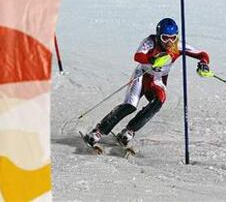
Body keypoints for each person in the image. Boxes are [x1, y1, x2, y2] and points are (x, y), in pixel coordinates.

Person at [84, 17, 213, 147]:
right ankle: (99, 131)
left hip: (158, 80)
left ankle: (129, 131)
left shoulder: (177, 46)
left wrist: (203, 64)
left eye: (172, 37)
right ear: (158, 35)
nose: (169, 42)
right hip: (142, 76)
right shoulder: (150, 42)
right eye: (165, 38)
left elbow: (202, 54)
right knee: (130, 106)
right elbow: (138, 56)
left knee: (158, 102)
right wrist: (152, 60)